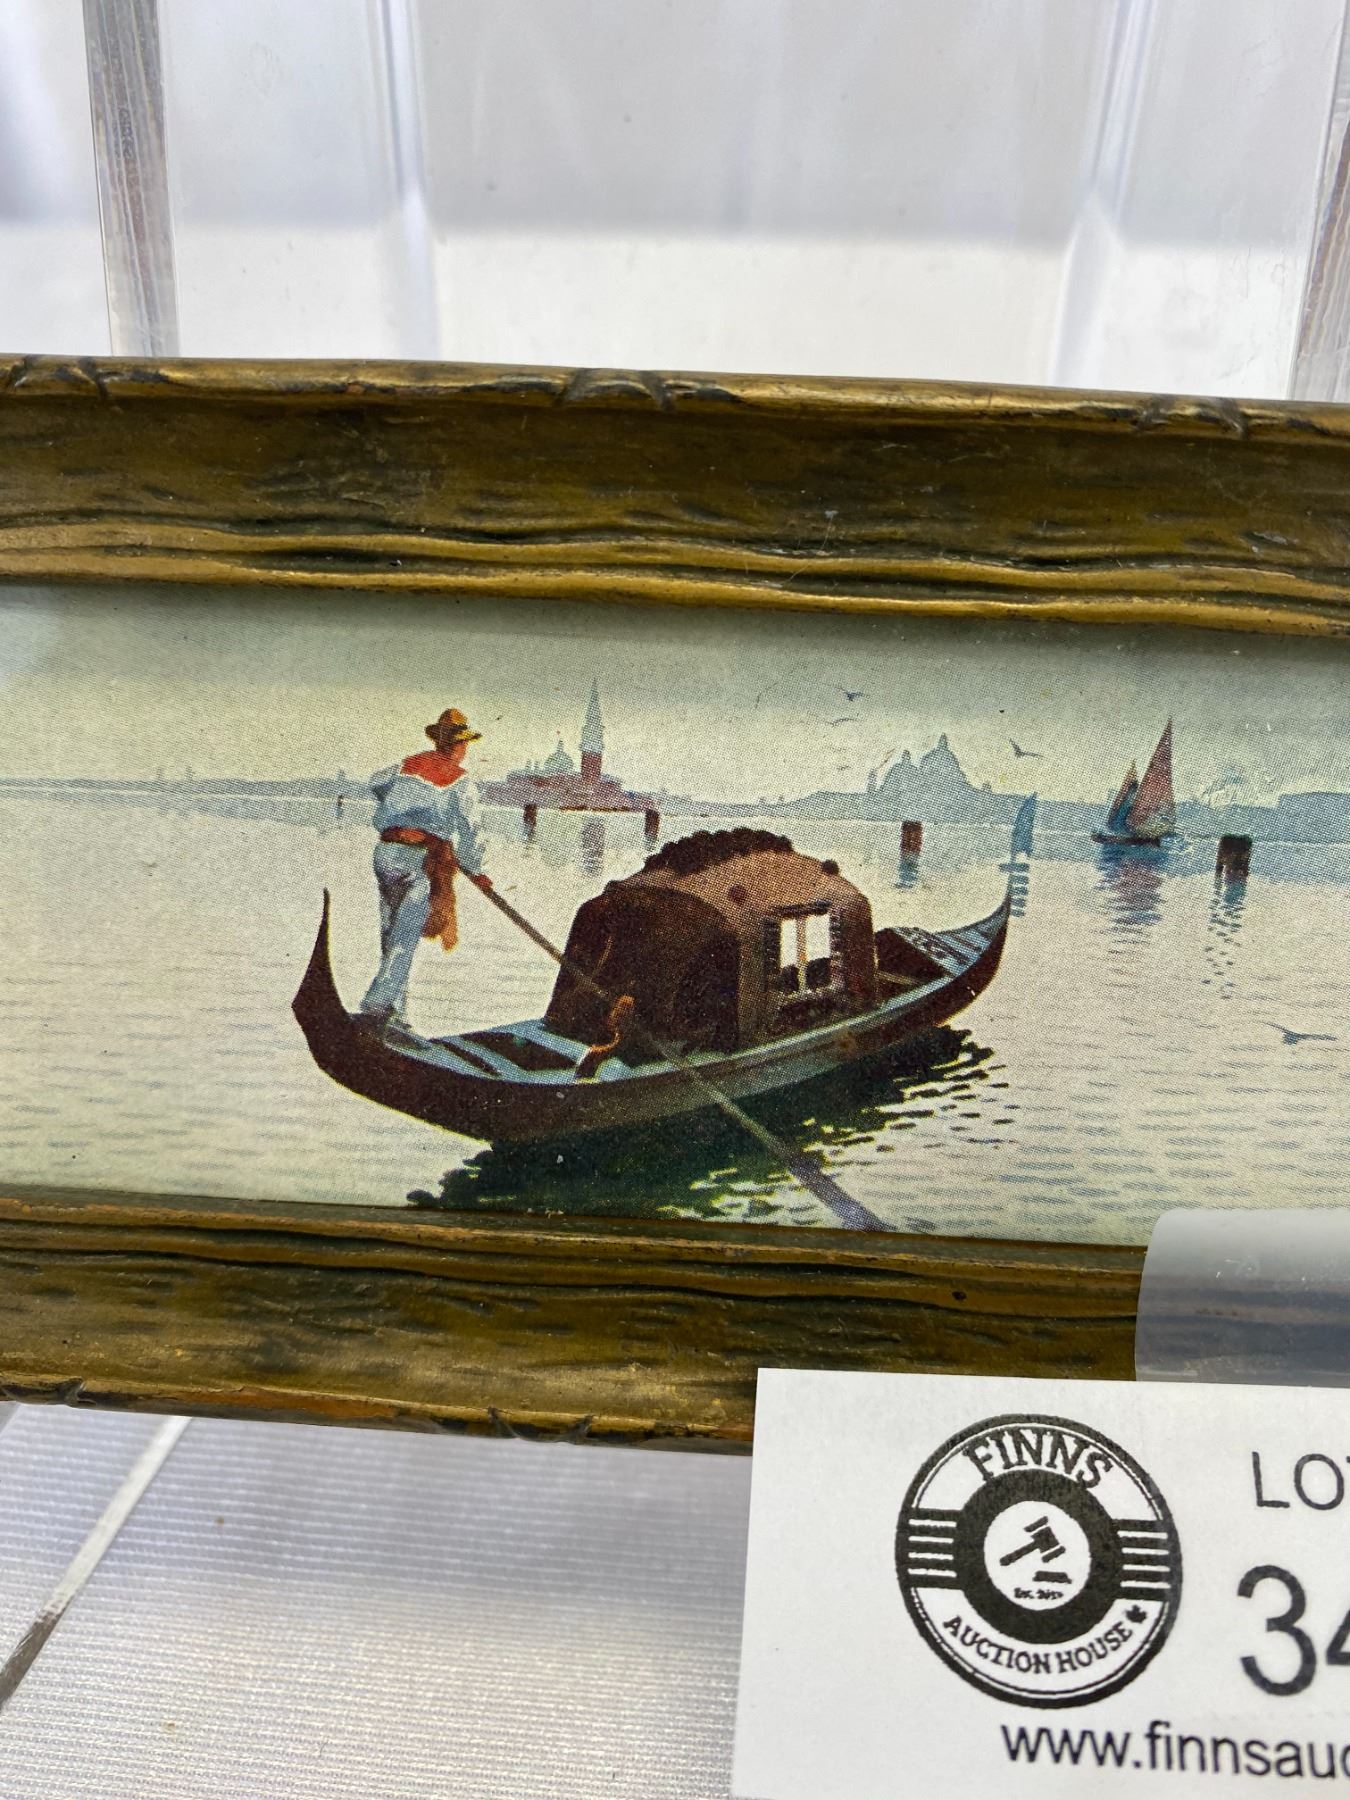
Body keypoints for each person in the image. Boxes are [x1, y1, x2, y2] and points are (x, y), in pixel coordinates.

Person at [359, 707, 490, 1028]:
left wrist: (403, 807)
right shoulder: (460, 781)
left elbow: (374, 783)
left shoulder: (405, 766)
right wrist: (476, 870)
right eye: (463, 744)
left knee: (390, 933)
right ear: (457, 746)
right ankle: (376, 1006)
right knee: (404, 937)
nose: (465, 750)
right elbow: (471, 831)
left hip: (385, 853)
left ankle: (396, 1014)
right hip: (419, 860)